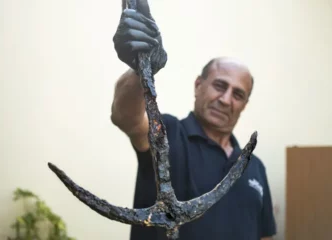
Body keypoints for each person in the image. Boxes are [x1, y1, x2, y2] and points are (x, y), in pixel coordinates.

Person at [110, 3, 277, 240]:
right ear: (198, 85)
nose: (226, 99)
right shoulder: (167, 134)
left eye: (238, 94)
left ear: (244, 105)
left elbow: (264, 235)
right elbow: (126, 116)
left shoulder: (254, 166)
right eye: (220, 85)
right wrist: (141, 70)